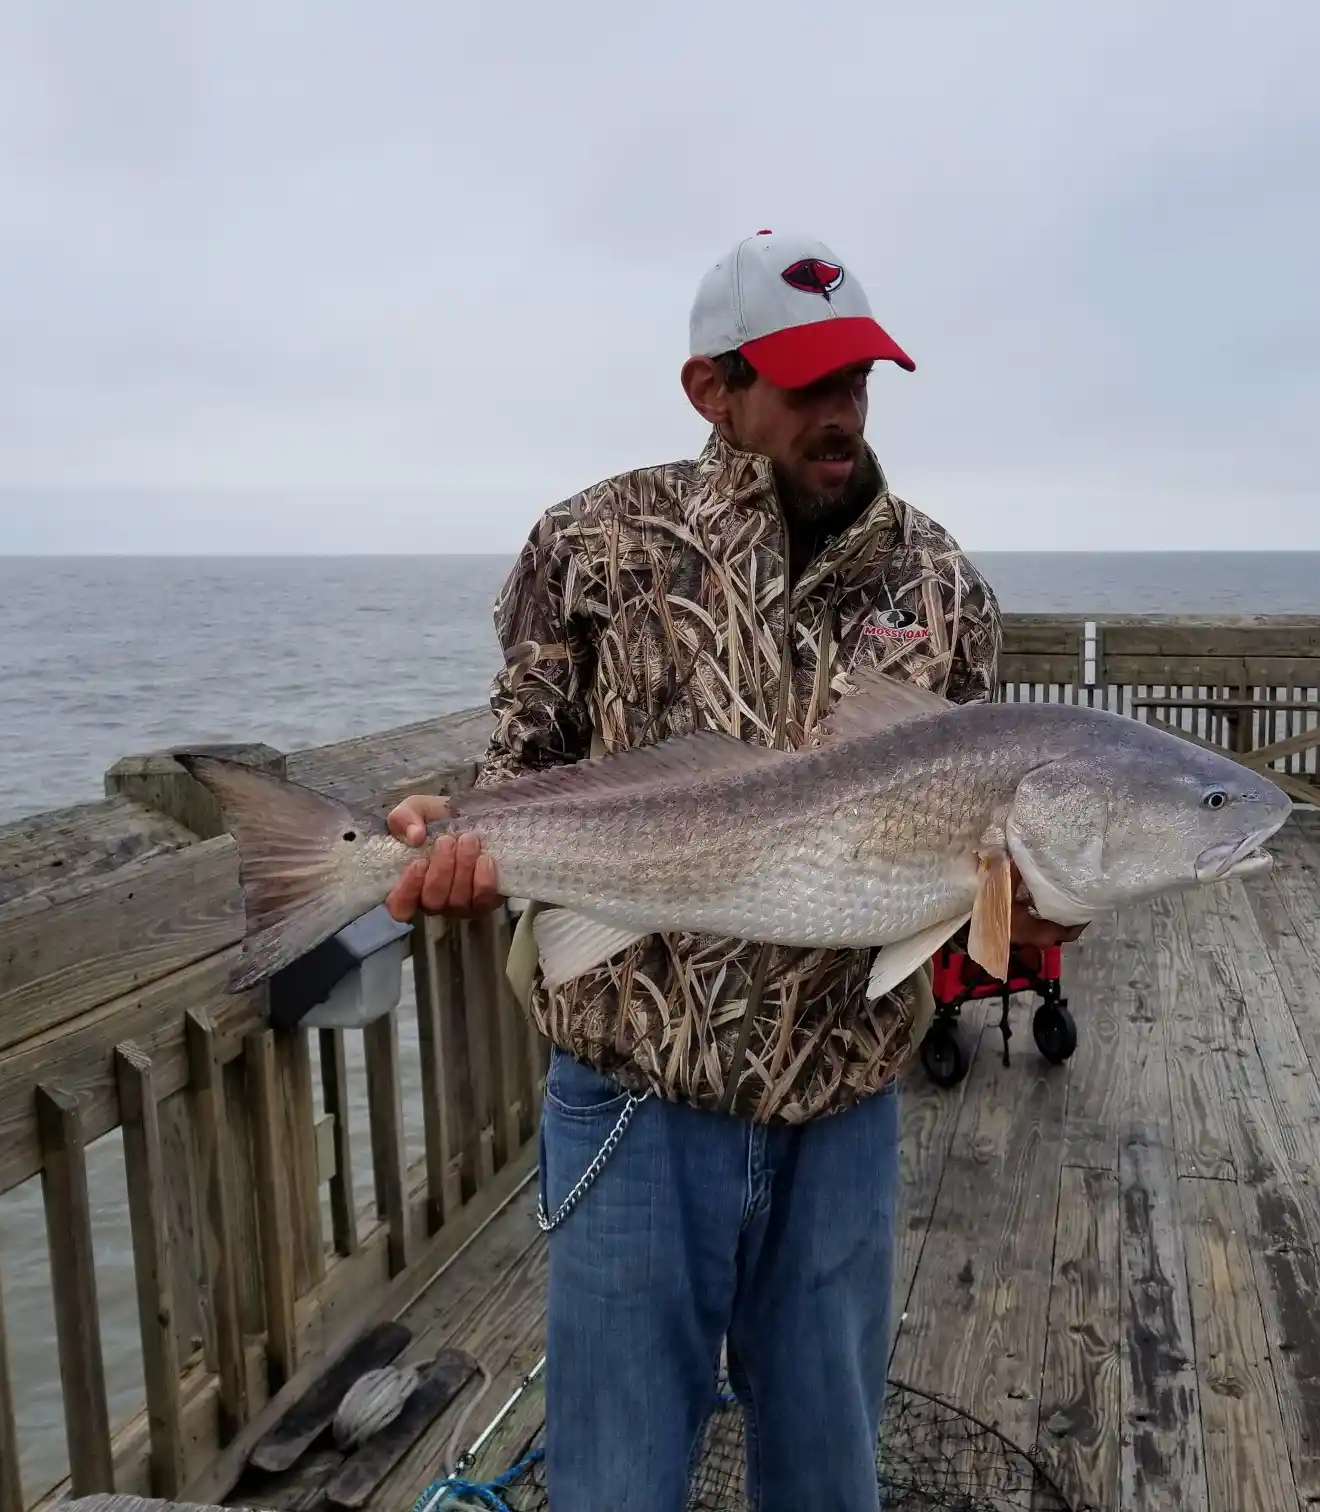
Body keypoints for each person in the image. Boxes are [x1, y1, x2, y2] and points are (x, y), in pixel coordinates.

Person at [383, 230, 1081, 1512]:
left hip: (845, 1104)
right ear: (713, 388)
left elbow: (987, 875)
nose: (844, 412)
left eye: (861, 377)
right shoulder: (589, 546)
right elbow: (523, 765)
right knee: (617, 1482)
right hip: (632, 1096)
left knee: (826, 1477)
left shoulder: (943, 586)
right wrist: (454, 835)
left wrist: (1028, 905)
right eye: (809, 381)